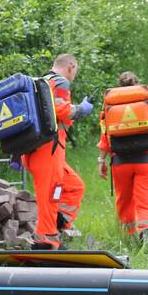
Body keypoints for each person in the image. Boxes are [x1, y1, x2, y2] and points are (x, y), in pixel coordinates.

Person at [23, 54, 93, 249]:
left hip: (37, 150)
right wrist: (82, 109)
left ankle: (57, 223)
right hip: (47, 151)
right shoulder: (60, 82)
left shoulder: (41, 82)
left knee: (74, 186)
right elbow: (61, 109)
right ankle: (46, 241)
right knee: (51, 195)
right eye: (76, 69)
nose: (75, 74)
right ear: (71, 66)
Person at [97, 71, 148, 242]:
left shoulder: (110, 106)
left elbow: (105, 136)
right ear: (137, 84)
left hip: (120, 162)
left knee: (124, 200)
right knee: (147, 200)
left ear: (119, 87)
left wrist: (101, 160)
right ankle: (147, 231)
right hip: (146, 160)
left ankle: (128, 237)